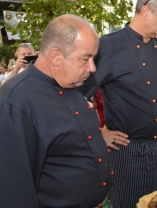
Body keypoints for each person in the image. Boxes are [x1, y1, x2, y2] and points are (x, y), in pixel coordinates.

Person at [78, 0, 157, 207]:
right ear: (145, 11)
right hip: (128, 152)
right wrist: (96, 134)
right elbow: (77, 95)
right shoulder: (106, 46)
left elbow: (155, 93)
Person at [0, 14, 111, 207]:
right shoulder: (16, 102)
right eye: (86, 58)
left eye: (94, 58)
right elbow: (14, 191)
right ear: (56, 57)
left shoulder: (69, 82)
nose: (92, 68)